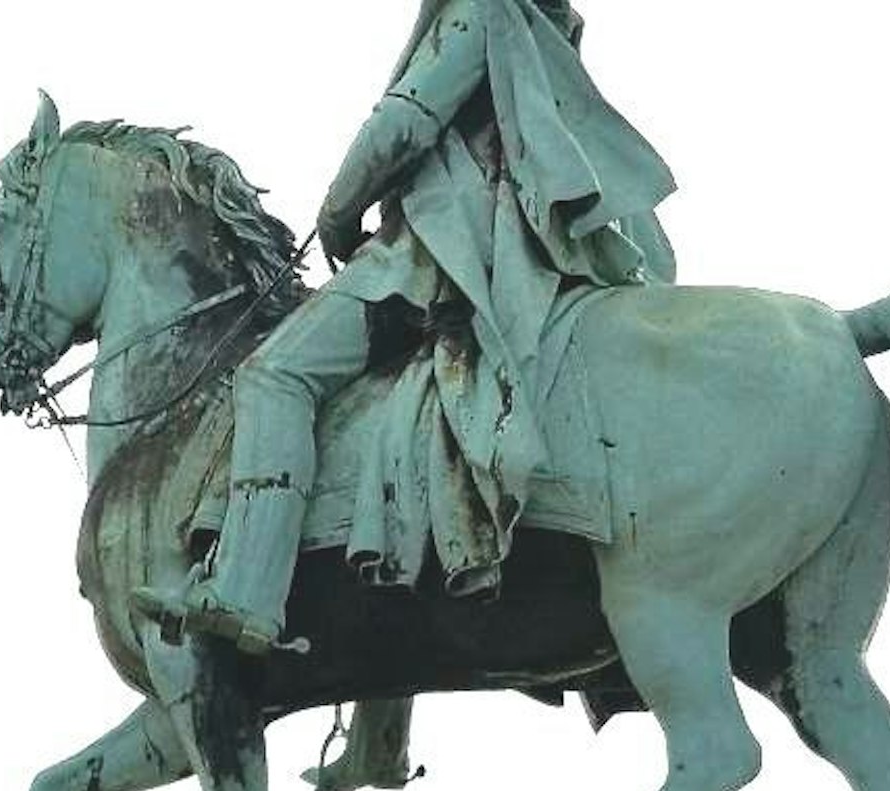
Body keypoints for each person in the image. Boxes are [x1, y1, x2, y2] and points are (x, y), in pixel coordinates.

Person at [144, 0, 677, 656]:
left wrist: (338, 214)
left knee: (273, 374)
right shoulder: (547, 26)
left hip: (437, 257)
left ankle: (246, 592)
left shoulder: (478, 9)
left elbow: (403, 125)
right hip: (519, 251)